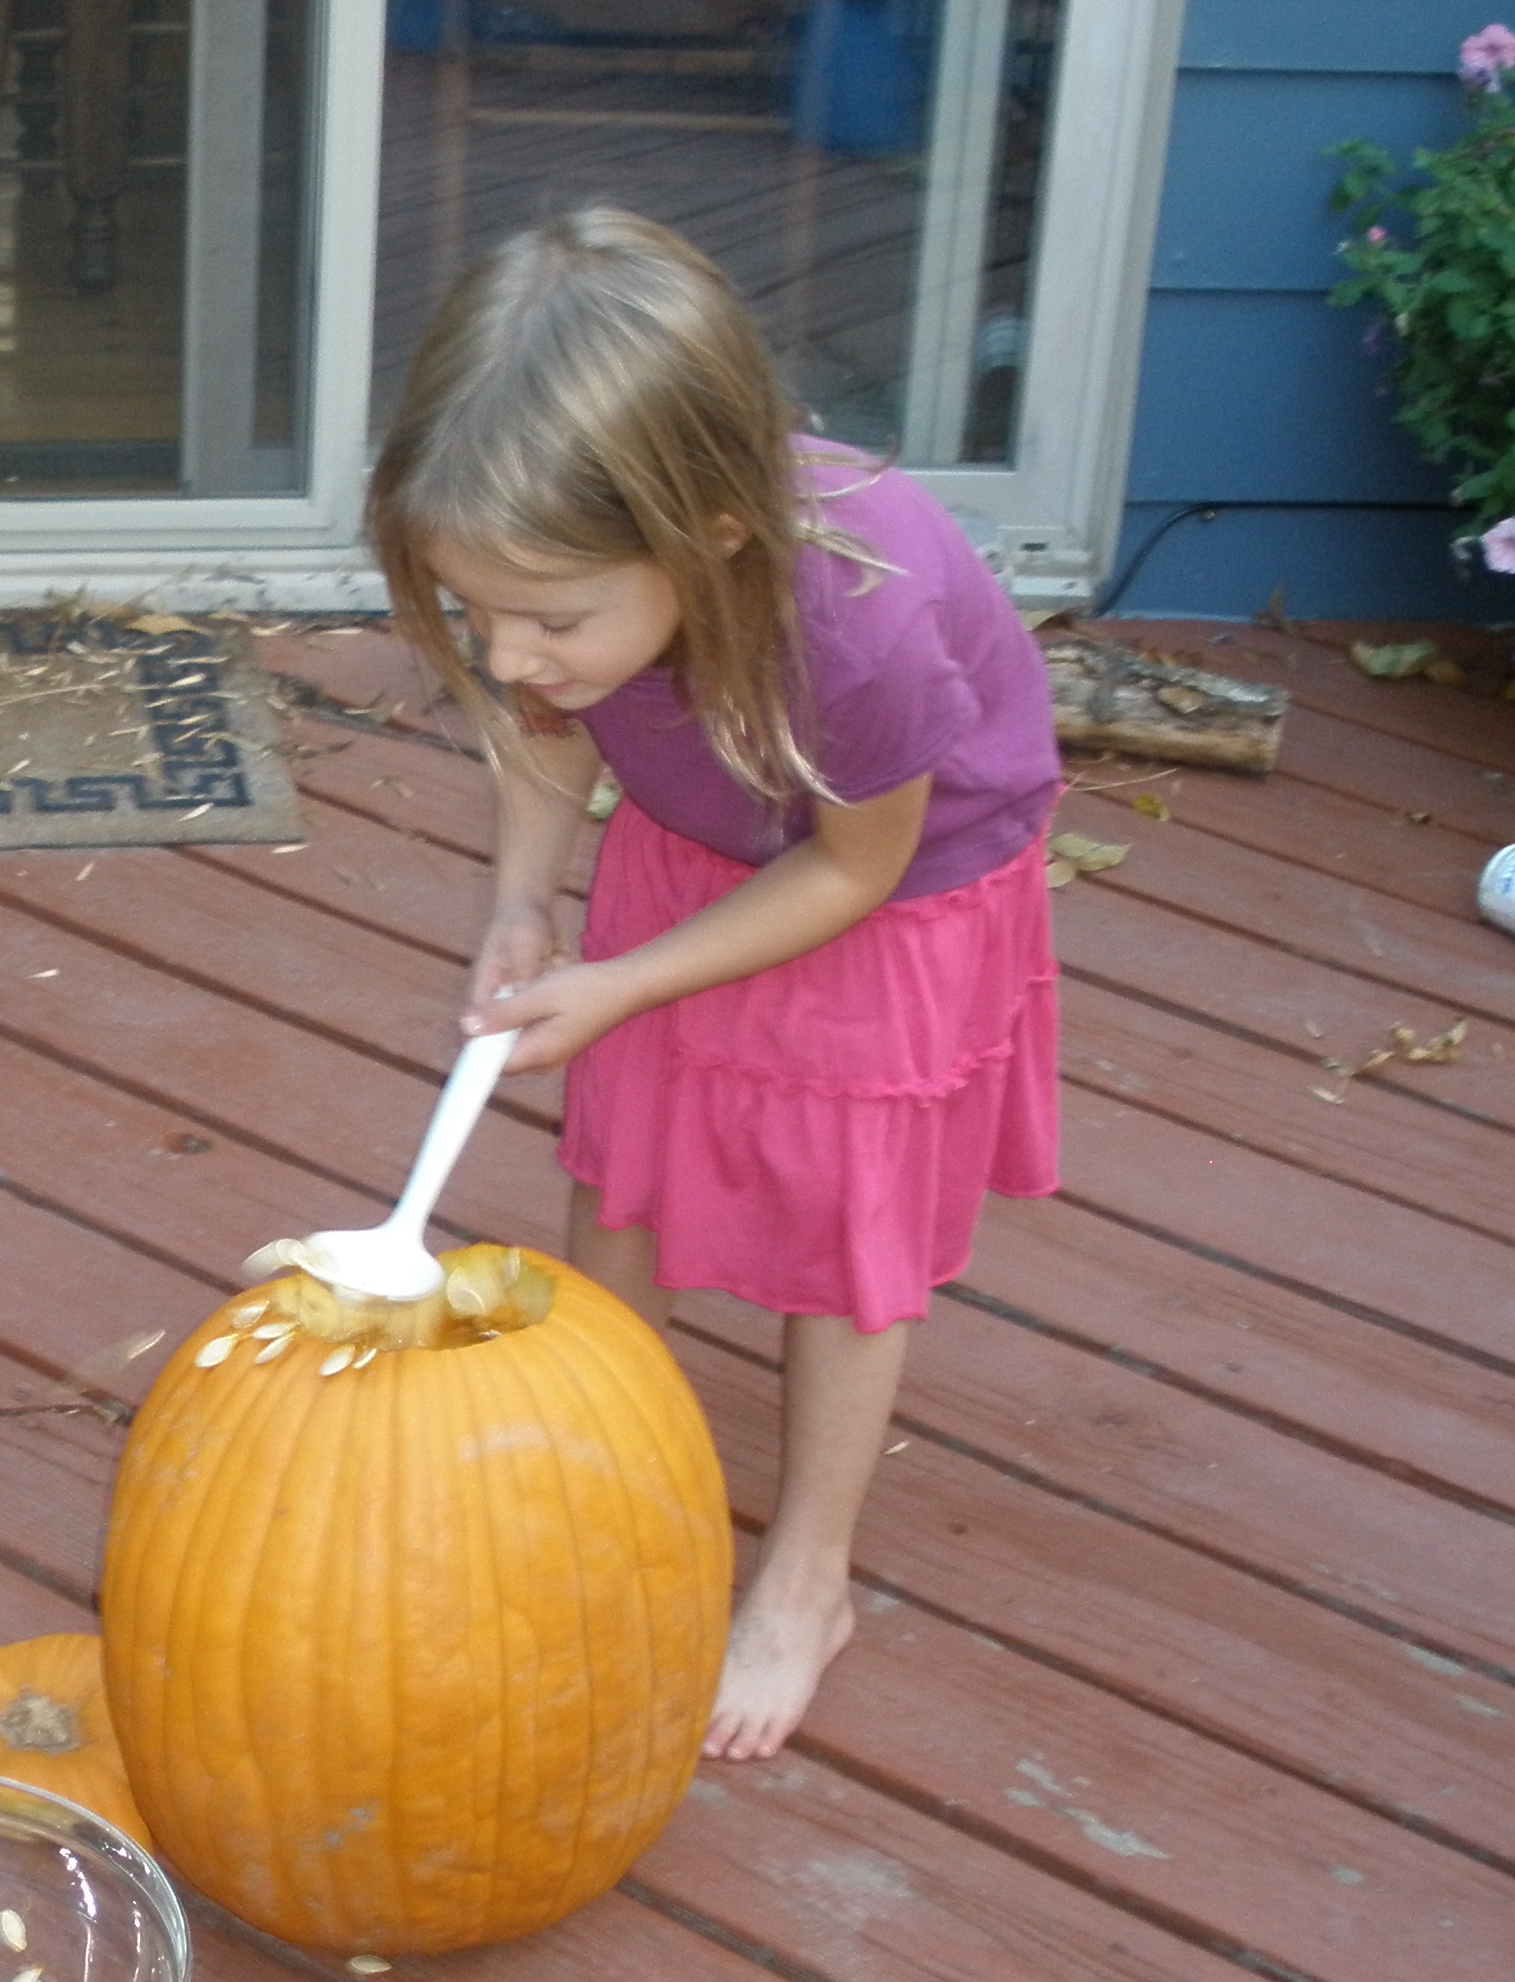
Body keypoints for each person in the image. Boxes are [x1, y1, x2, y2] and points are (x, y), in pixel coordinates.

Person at [373, 208, 1061, 1761]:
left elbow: (851, 872)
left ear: (713, 537)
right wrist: (525, 905)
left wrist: (626, 982)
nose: (509, 652)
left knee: (846, 1217)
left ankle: (810, 1576)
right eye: (476, 613)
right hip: (701, 834)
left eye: (552, 618)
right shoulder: (560, 603)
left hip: (898, 890)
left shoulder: (861, 626)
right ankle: (601, 1478)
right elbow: (546, 729)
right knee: (624, 1155)